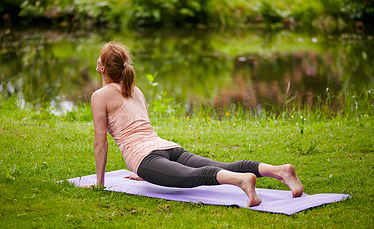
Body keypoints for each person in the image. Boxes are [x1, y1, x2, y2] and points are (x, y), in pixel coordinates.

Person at [87, 41, 304, 207]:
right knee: (221, 166)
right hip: (167, 148)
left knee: (190, 177)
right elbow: (140, 130)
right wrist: (148, 172)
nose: (97, 61)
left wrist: (99, 183)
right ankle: (280, 171)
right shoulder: (135, 90)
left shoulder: (100, 96)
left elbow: (101, 143)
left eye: (99, 59)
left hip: (144, 157)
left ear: (103, 68)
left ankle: (242, 181)